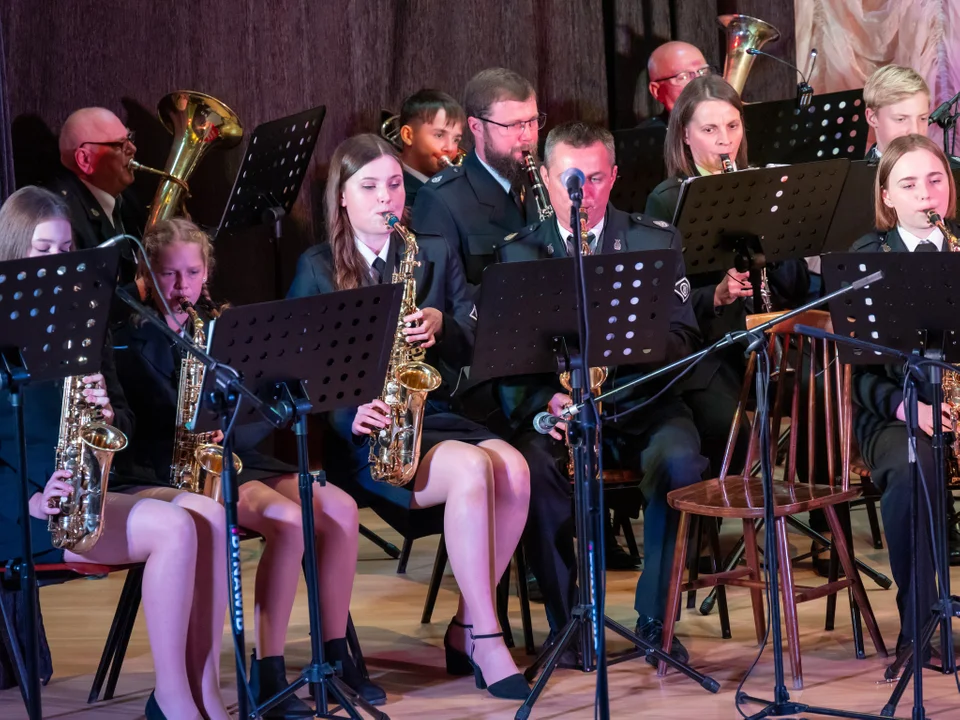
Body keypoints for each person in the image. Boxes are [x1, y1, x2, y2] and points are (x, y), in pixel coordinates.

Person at [288, 133, 532, 701]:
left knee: (515, 472)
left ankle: (465, 625)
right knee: (474, 470)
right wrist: (352, 412)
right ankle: (488, 637)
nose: (385, 199)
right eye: (368, 187)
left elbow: (475, 341)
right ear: (341, 199)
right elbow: (300, 373)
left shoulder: (430, 252)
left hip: (434, 413)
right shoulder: (318, 268)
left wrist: (444, 323)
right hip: (368, 439)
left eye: (394, 185)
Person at [111, 217, 386, 714]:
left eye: (192, 273)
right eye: (169, 275)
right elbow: (136, 432)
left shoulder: (223, 330)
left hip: (238, 455)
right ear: (145, 279)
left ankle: (333, 655)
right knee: (288, 521)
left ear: (206, 275)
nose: (182, 286)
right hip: (176, 471)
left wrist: (230, 424)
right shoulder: (126, 343)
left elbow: (260, 411)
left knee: (341, 508)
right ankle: (270, 670)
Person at [0, 186, 227, 720]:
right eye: (43, 251)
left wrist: (106, 415)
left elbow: (123, 418)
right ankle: (172, 699)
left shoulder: (85, 317)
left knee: (212, 516)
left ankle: (205, 689)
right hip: (26, 509)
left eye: (67, 250)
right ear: (13, 252)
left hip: (90, 488)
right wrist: (31, 499)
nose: (60, 263)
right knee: (173, 529)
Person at [497, 121, 707, 662]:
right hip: (562, 415)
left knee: (681, 462)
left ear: (613, 178)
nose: (582, 194)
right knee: (531, 473)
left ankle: (656, 622)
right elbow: (507, 359)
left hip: (642, 405)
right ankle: (569, 623)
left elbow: (685, 335)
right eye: (570, 179)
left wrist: (627, 352)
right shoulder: (518, 254)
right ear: (544, 179)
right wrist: (550, 399)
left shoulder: (654, 240)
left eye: (594, 179)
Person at [851, 133, 959, 657]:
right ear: (887, 196)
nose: (926, 195)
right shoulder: (869, 258)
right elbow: (862, 377)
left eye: (935, 181)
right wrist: (909, 408)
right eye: (909, 184)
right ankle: (920, 627)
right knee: (914, 468)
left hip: (954, 404)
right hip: (892, 411)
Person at [411, 67, 545, 295]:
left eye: (532, 122)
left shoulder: (548, 180)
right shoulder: (441, 200)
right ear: (476, 127)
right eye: (513, 125)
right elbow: (441, 298)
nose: (527, 136)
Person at [44, 108, 146, 282]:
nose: (133, 148)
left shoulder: (128, 198)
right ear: (84, 160)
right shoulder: (62, 216)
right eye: (119, 145)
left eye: (130, 138)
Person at [392, 89, 466, 207]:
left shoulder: (451, 184)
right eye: (439, 135)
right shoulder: (395, 191)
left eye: (456, 140)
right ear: (408, 135)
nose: (450, 148)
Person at [863, 66, 932, 164]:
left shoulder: (952, 169)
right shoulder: (852, 178)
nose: (915, 131)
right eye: (900, 119)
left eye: (923, 118)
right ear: (872, 118)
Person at [644, 41, 713, 125]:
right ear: (657, 91)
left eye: (703, 72)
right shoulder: (647, 136)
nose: (699, 82)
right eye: (683, 77)